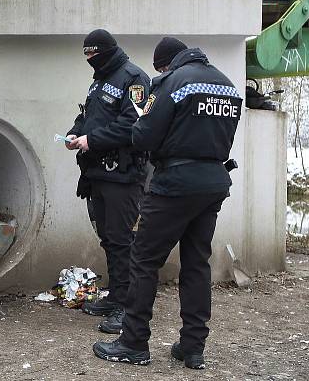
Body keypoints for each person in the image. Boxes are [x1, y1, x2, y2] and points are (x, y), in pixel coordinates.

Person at [93, 37, 242, 368]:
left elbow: (142, 133)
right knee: (196, 263)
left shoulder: (169, 82)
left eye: (160, 66)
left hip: (174, 184)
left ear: (167, 63)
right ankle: (192, 347)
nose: (159, 71)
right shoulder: (228, 86)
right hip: (213, 183)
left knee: (144, 259)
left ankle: (133, 343)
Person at [66, 28, 150, 333]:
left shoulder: (133, 78)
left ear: (106, 51)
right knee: (109, 239)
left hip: (123, 174)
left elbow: (133, 125)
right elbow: (90, 116)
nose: (90, 60)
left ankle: (128, 309)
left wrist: (93, 140)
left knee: (122, 240)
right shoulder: (100, 79)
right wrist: (76, 133)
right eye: (86, 56)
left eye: (93, 55)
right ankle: (116, 298)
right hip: (98, 173)